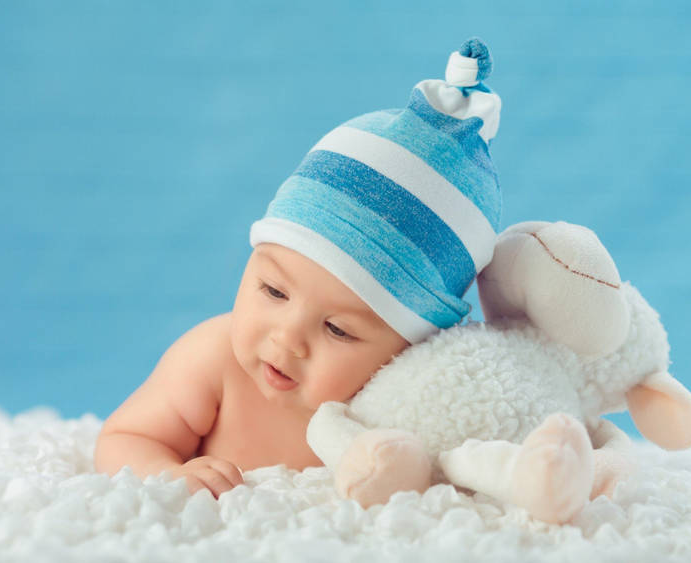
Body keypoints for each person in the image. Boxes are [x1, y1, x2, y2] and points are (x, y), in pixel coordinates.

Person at [94, 38, 505, 498]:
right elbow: (125, 439)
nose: (286, 337)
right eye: (273, 291)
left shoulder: (403, 408)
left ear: (411, 348)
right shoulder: (213, 362)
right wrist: (166, 474)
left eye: (337, 329)